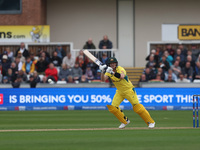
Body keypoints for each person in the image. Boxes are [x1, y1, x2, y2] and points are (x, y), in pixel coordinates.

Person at [99, 57, 155, 129]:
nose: (113, 65)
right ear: (109, 64)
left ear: (116, 63)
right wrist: (102, 71)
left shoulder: (120, 69)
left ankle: (151, 122)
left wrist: (112, 72)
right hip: (119, 91)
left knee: (138, 108)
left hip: (129, 90)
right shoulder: (108, 71)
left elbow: (122, 76)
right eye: (111, 63)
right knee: (113, 108)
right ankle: (125, 121)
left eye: (114, 63)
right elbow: (103, 80)